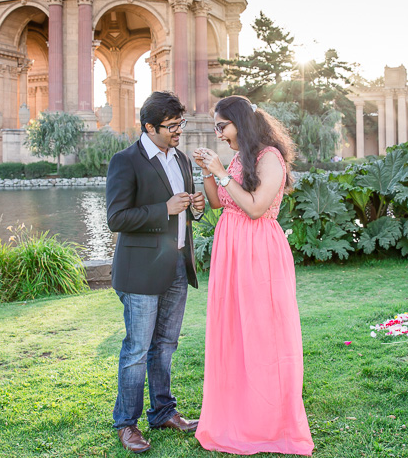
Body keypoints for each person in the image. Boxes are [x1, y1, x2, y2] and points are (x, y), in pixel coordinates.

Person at [192, 95, 314, 455]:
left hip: (258, 252)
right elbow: (219, 203)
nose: (218, 133)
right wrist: (208, 173)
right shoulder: (238, 158)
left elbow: (257, 208)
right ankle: (236, 411)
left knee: (262, 332)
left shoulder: (269, 157)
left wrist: (220, 173)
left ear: (240, 122)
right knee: (233, 329)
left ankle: (268, 418)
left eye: (222, 126)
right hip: (231, 250)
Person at [105, 91, 206, 454]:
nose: (179, 130)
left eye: (181, 123)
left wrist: (195, 208)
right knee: (137, 349)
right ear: (150, 127)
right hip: (140, 272)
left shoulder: (181, 159)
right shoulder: (125, 161)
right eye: (172, 125)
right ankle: (126, 423)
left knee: (165, 346)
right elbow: (116, 218)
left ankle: (163, 412)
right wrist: (163, 208)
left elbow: (187, 211)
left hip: (178, 265)